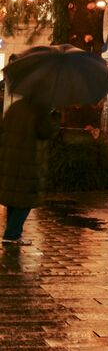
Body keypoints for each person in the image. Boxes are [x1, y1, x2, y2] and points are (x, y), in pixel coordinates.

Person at [0, 96, 57, 244]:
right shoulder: (39, 111)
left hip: (10, 158)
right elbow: (45, 132)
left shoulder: (15, 107)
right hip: (28, 161)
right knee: (25, 198)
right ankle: (11, 235)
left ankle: (13, 233)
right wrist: (52, 116)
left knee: (14, 197)